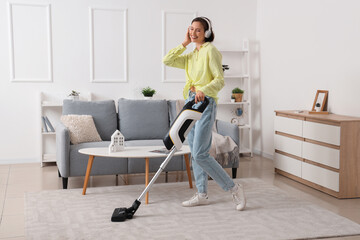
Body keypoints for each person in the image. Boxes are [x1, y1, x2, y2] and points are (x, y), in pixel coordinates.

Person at [162, 17, 246, 211]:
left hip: (206, 103)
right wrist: (184, 43)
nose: (193, 33)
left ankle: (234, 187)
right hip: (191, 103)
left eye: (198, 30)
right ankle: (202, 194)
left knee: (200, 153)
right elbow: (167, 60)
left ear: (206, 33)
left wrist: (204, 90)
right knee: (195, 151)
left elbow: (219, 80)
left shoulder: (211, 51)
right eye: (191, 29)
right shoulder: (191, 55)